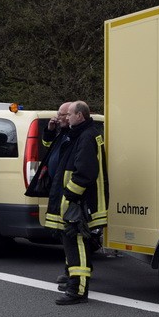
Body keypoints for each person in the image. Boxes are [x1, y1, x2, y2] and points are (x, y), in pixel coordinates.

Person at [51, 101, 108, 305]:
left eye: (70, 115)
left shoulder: (86, 136)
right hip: (80, 200)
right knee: (74, 241)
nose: (66, 118)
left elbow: (85, 173)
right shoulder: (83, 134)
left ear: (80, 116)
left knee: (76, 241)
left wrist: (69, 195)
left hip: (79, 201)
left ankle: (78, 290)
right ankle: (74, 284)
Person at [25, 102, 73, 284]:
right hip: (57, 188)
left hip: (66, 191)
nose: (58, 117)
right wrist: (50, 130)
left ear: (70, 115)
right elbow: (49, 146)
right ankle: (71, 270)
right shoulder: (63, 132)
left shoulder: (74, 135)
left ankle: (74, 273)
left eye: (61, 115)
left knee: (70, 235)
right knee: (64, 234)